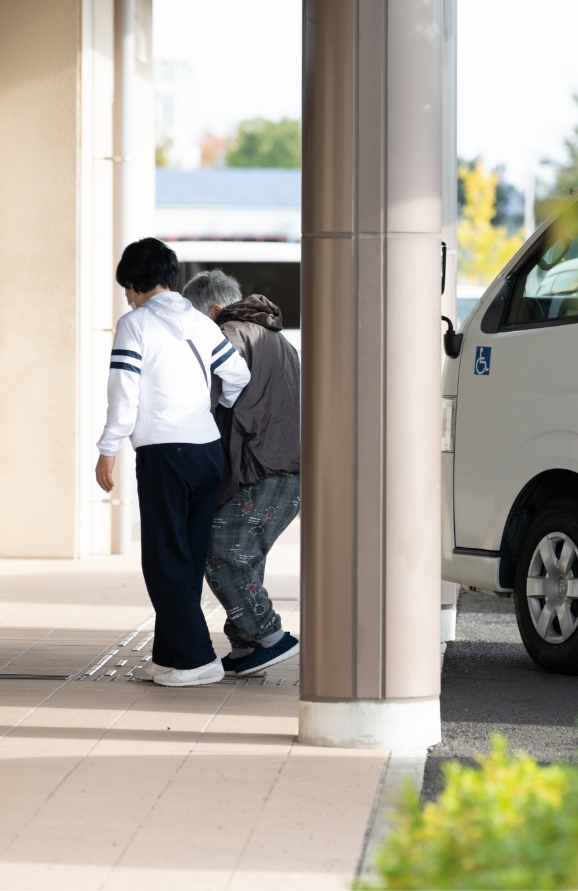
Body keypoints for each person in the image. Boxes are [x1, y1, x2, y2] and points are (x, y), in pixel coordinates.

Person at [95, 240, 250, 687]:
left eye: (127, 285)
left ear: (137, 281)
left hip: (165, 454)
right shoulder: (200, 324)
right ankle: (169, 657)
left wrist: (108, 449)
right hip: (207, 451)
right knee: (185, 558)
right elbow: (238, 375)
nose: (126, 294)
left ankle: (198, 660)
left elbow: (123, 394)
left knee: (164, 560)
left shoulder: (135, 324)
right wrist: (208, 409)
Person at [183, 270, 300, 677]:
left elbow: (207, 398)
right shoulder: (277, 338)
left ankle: (270, 637)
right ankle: (246, 646)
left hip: (261, 470)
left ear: (214, 311)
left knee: (220, 550)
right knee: (244, 555)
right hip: (283, 471)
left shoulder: (230, 334)